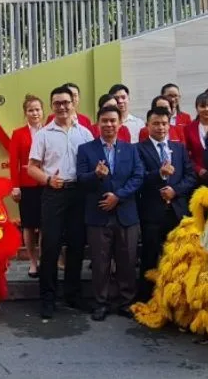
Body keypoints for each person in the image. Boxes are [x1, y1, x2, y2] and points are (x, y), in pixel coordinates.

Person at [27, 85, 95, 319]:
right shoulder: (44, 134)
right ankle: (48, 298)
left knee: (76, 245)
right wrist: (48, 179)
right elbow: (32, 168)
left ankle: (73, 294)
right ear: (52, 106)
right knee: (51, 246)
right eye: (57, 103)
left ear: (73, 103)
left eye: (66, 102)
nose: (62, 107)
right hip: (54, 193)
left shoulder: (85, 133)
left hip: (79, 194)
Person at [76, 105, 144, 321]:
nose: (109, 124)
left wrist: (118, 196)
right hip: (98, 215)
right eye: (104, 120)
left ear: (120, 123)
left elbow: (138, 176)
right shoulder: (86, 149)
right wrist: (95, 175)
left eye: (113, 121)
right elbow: (80, 179)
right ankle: (101, 303)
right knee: (100, 262)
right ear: (98, 123)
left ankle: (126, 302)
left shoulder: (131, 149)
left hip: (126, 214)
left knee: (127, 261)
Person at [135, 106, 197, 300]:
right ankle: (147, 298)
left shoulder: (179, 148)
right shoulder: (138, 149)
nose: (160, 127)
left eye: (164, 123)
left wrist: (175, 191)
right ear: (147, 125)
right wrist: (159, 174)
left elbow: (190, 176)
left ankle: (175, 298)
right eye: (156, 123)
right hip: (152, 212)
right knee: (150, 256)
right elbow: (139, 177)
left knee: (177, 257)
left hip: (177, 211)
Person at [8, 94, 44, 278]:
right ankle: (33, 262)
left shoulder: (49, 131)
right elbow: (13, 162)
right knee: (29, 225)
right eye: (31, 110)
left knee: (46, 225)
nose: (34, 113)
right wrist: (15, 186)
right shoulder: (18, 134)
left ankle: (45, 260)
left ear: (43, 111)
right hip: (27, 185)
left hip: (47, 183)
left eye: (37, 109)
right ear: (25, 113)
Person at [183, 92, 208, 181]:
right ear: (197, 108)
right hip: (198, 176)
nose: (207, 109)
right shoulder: (188, 128)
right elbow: (185, 154)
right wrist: (198, 169)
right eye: (202, 106)